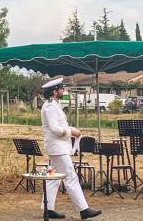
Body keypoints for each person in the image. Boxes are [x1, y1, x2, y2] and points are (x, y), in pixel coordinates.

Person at [40, 78, 102, 220]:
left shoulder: (53, 104)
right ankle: (83, 209)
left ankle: (47, 208)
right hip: (57, 148)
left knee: (53, 178)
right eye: (61, 88)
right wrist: (71, 132)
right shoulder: (50, 106)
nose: (63, 90)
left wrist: (71, 130)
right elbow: (55, 129)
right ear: (55, 91)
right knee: (71, 177)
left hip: (57, 147)